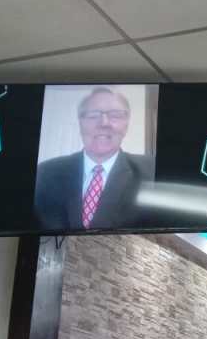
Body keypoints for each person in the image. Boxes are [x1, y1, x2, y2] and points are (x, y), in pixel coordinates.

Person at [34, 86, 154, 231]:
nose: (104, 123)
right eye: (93, 115)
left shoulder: (151, 171)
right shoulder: (45, 173)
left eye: (115, 115)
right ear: (80, 123)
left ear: (126, 124)